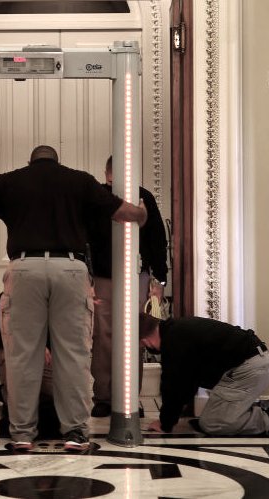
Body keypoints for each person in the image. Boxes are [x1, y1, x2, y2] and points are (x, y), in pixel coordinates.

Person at [0, 145, 147, 451]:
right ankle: (76, 434)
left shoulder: (10, 181)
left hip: (24, 269)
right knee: (74, 355)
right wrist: (143, 212)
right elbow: (125, 213)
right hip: (70, 268)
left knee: (21, 356)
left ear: (30, 161)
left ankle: (23, 435)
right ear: (58, 161)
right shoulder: (78, 181)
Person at [88, 155, 168, 418]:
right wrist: (159, 280)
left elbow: (157, 240)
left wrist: (159, 280)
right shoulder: (104, 197)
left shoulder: (137, 197)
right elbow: (158, 242)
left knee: (122, 337)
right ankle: (115, 397)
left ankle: (118, 397)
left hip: (122, 276)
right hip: (119, 276)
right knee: (117, 337)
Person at [138, 313, 269, 436]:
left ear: (145, 341)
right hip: (254, 363)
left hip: (249, 368)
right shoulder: (176, 331)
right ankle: (266, 407)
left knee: (212, 424)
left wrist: (165, 423)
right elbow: (185, 384)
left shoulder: (174, 342)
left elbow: (174, 386)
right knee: (210, 418)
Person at [0, 293, 60, 440]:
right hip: (14, 353)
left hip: (46, 357)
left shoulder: (53, 296)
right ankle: (20, 411)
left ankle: (27, 413)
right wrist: (34, 347)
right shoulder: (7, 298)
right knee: (15, 367)